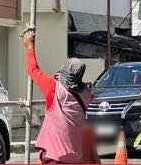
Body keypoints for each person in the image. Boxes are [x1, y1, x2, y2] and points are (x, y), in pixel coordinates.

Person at [22, 30, 94, 163]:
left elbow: (32, 70)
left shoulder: (53, 88)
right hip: (75, 158)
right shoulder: (86, 94)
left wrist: (29, 46)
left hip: (54, 157)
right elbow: (82, 88)